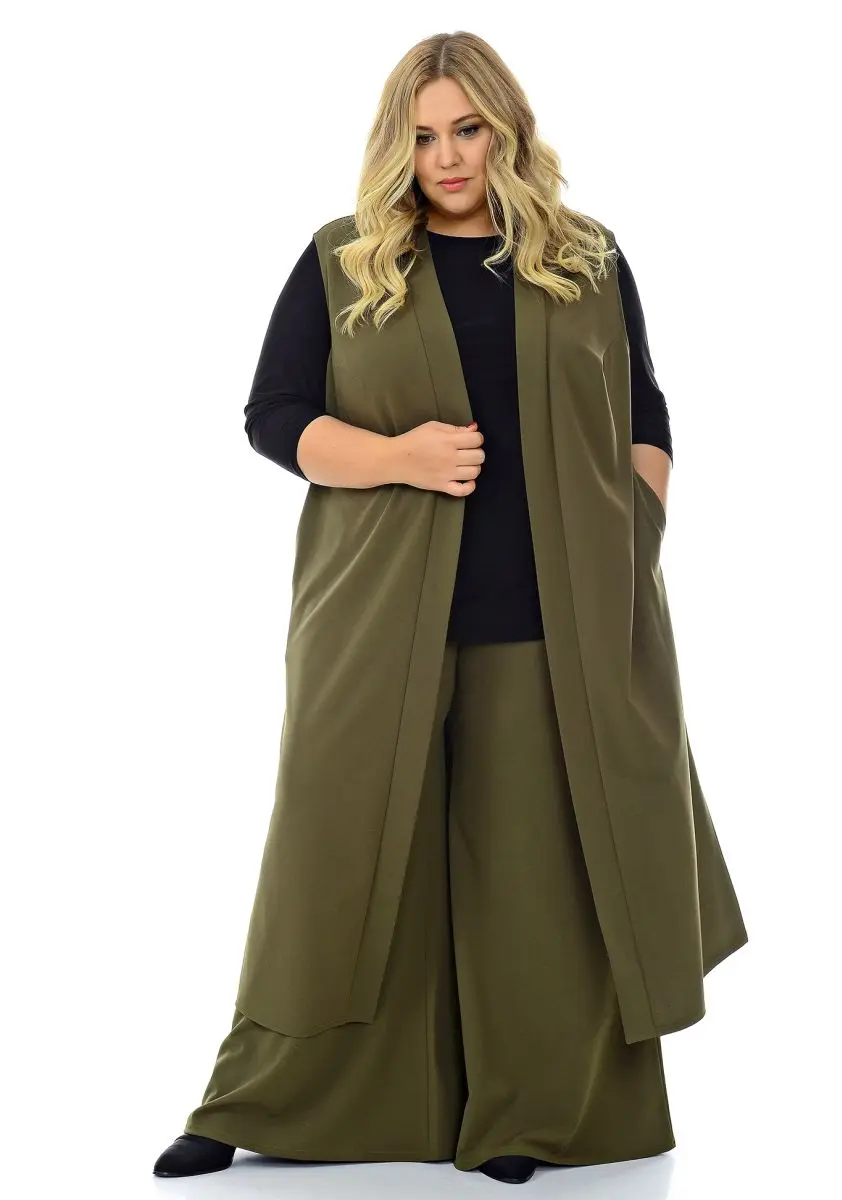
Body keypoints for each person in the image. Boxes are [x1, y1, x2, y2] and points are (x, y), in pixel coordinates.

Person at [153, 29, 747, 1188]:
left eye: (467, 129)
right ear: (398, 144)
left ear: (504, 128)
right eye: (423, 136)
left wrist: (633, 536)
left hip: (551, 624)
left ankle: (529, 1115)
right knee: (334, 859)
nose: (448, 157)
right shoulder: (345, 261)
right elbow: (274, 416)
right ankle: (261, 1100)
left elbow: (646, 412)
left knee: (532, 878)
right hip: (378, 619)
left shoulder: (586, 258)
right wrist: (397, 458)